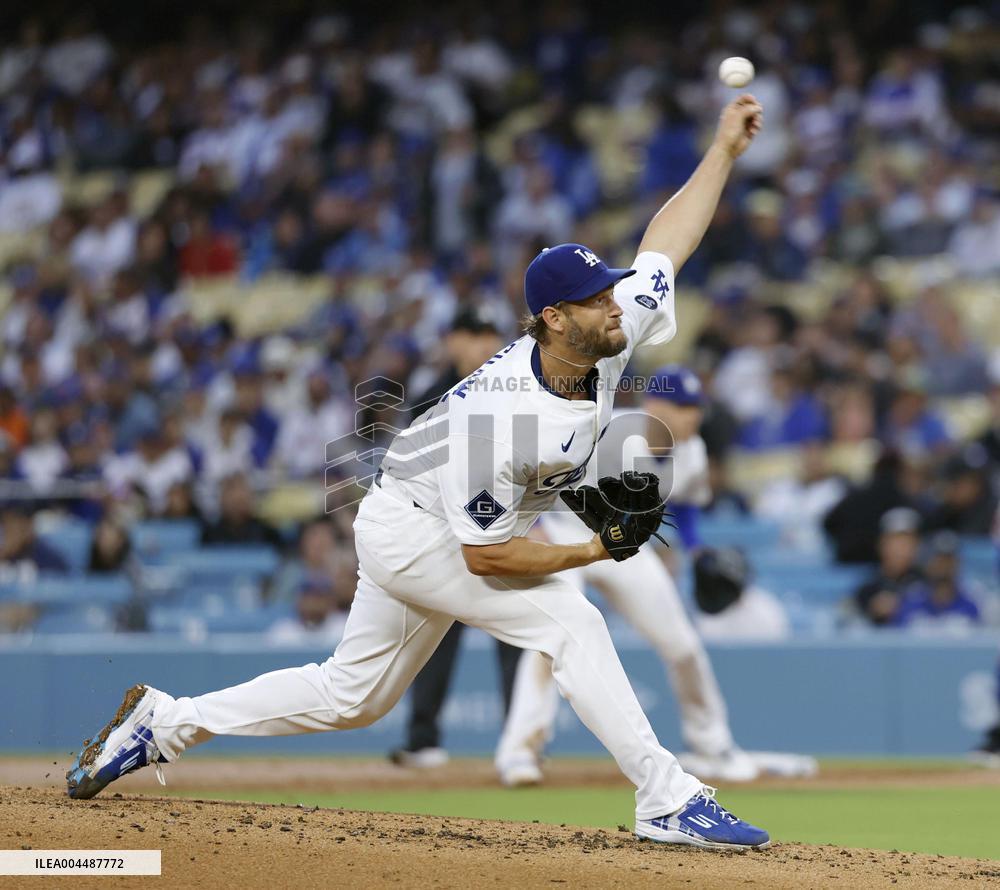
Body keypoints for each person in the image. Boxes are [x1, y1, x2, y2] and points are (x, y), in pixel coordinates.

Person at [67, 96, 771, 851]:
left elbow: (667, 245)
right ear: (553, 320)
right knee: (573, 620)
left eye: (610, 291)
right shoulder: (501, 420)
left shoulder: (604, 328)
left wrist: (723, 151)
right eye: (596, 299)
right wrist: (592, 551)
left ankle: (163, 723)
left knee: (353, 698)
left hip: (423, 513)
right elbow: (486, 557)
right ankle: (666, 796)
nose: (616, 306)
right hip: (415, 530)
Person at [495, 366, 809, 787]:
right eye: (681, 406)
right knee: (552, 640)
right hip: (563, 534)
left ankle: (712, 744)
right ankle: (520, 752)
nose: (690, 416)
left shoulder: (692, 450)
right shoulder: (606, 434)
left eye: (695, 408)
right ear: (654, 406)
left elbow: (690, 501)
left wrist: (692, 548)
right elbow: (537, 469)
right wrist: (527, 524)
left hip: (623, 547)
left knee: (683, 647)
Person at [390, 306, 522, 768]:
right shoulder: (430, 397)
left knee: (517, 635)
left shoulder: (513, 388)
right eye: (473, 334)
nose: (484, 344)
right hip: (443, 535)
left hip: (499, 530)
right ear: (452, 341)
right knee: (433, 638)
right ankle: (422, 739)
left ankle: (518, 745)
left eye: (490, 334)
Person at [851, 507, 925, 625]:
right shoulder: (868, 588)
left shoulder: (929, 582)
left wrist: (904, 607)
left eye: (908, 541)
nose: (902, 548)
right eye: (896, 541)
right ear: (882, 544)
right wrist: (872, 610)